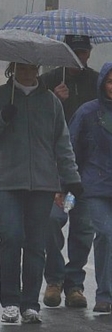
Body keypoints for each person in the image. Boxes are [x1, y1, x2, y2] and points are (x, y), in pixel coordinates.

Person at [0, 62, 83, 324]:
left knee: (35, 243)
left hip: (43, 184)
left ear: (38, 67)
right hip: (6, 182)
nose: (27, 71)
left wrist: (72, 178)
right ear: (12, 67)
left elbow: (62, 143)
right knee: (11, 236)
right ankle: (10, 300)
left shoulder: (51, 102)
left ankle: (30, 304)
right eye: (21, 66)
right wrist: (2, 117)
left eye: (31, 66)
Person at [39, 35, 99, 309]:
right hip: (54, 173)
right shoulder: (48, 82)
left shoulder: (98, 83)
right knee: (52, 220)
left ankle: (75, 284)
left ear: (89, 54)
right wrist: (53, 100)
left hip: (86, 174)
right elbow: (36, 123)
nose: (79, 57)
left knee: (83, 228)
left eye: (83, 52)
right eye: (73, 52)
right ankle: (54, 279)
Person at [67, 62, 112, 314]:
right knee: (105, 234)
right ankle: (104, 295)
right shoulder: (87, 113)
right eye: (110, 81)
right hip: (94, 187)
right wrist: (68, 184)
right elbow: (71, 149)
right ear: (102, 84)